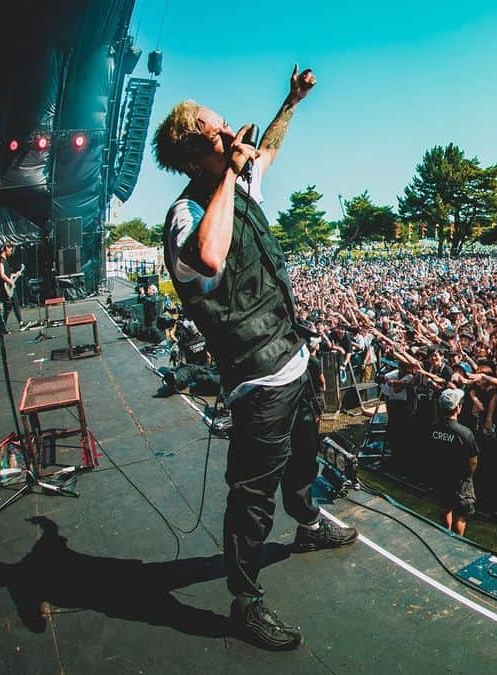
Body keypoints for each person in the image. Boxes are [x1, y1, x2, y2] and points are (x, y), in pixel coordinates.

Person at [152, 64, 357, 651]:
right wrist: (228, 175)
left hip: (293, 353)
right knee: (251, 496)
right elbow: (210, 258)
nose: (232, 139)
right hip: (257, 377)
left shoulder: (238, 180)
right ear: (194, 151)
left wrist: (291, 101)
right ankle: (245, 599)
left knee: (306, 456)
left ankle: (310, 522)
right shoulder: (185, 215)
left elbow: (268, 145)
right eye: (218, 134)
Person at [426, 388, 480, 536]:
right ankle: (456, 542)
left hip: (441, 476)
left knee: (445, 507)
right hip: (460, 481)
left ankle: (445, 535)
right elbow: (473, 461)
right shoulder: (464, 433)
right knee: (460, 514)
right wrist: (467, 477)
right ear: (458, 408)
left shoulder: (433, 427)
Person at [0, 244, 30, 332]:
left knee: (15, 303)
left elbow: (7, 274)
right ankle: (1, 326)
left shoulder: (5, 260)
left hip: (9, 287)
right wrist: (10, 281)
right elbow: (2, 275)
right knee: (8, 307)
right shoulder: (1, 260)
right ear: (6, 248)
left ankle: (20, 323)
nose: (11, 252)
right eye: (10, 250)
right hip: (5, 287)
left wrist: (15, 275)